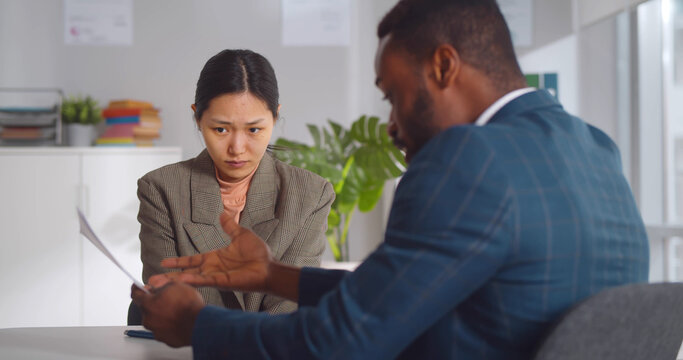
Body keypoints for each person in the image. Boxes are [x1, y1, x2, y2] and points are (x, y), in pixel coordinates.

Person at [132, 1, 650, 358]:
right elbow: (410, 294)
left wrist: (198, 326)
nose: (392, 125)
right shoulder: (594, 149)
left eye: (392, 94)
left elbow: (338, 346)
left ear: (444, 66)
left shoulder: (466, 160)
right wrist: (275, 277)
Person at [135, 49, 334, 315]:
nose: (237, 148)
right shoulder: (161, 189)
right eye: (221, 129)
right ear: (197, 118)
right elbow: (170, 298)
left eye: (254, 130)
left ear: (275, 116)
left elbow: (289, 309)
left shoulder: (310, 194)